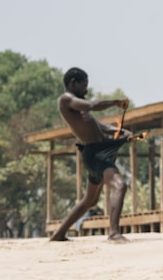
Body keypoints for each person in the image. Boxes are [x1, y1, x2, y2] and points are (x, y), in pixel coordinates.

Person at [50, 67, 131, 242]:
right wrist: (116, 102)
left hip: (97, 153)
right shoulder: (67, 99)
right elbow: (91, 106)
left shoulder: (79, 106)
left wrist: (119, 131)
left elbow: (99, 126)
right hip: (95, 154)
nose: (86, 90)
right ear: (73, 83)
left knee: (90, 200)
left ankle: (59, 234)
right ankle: (114, 232)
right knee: (119, 186)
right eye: (84, 85)